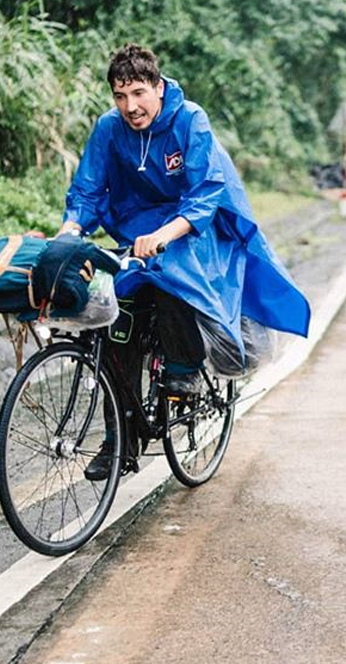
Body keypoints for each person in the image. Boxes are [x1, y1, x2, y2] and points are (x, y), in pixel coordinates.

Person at [58, 43, 311, 480]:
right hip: (139, 232)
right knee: (118, 323)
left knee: (168, 276)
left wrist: (163, 235)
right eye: (120, 96)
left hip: (194, 230)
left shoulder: (189, 120)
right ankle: (120, 439)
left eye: (138, 93)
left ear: (158, 87)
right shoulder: (108, 129)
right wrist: (69, 230)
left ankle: (184, 370)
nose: (130, 106)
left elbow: (204, 196)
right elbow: (87, 190)